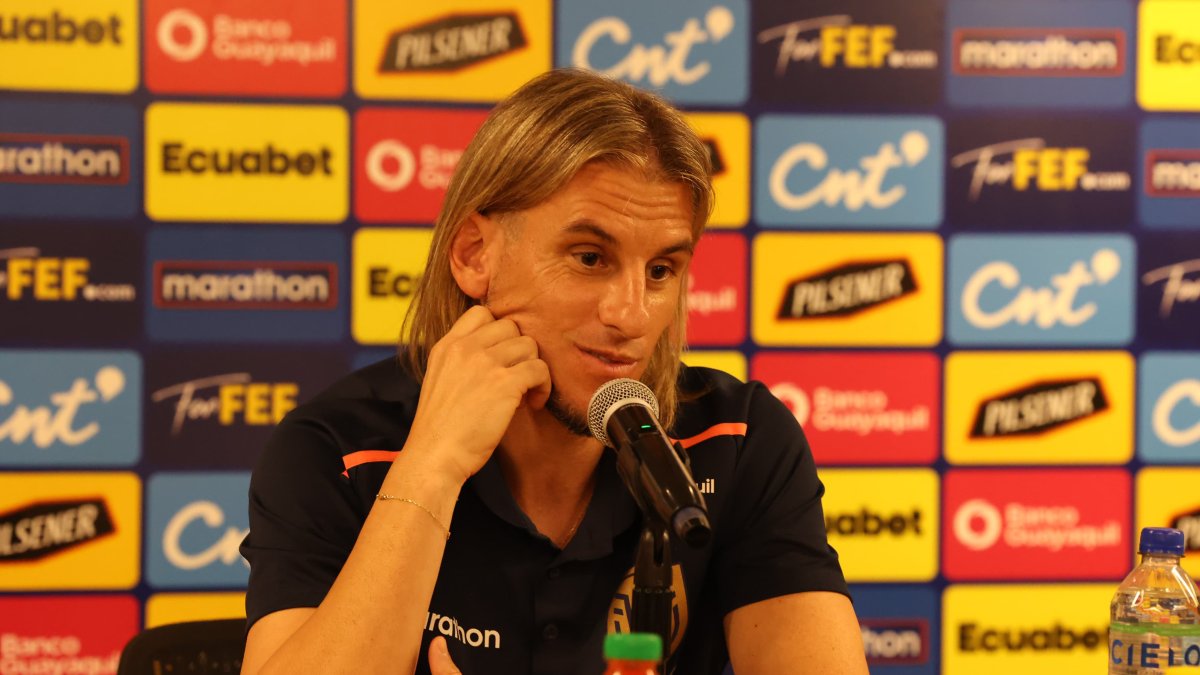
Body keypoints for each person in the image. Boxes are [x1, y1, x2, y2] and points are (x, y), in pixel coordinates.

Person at [239, 68, 868, 675]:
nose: (631, 315)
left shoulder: (737, 440)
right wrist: (431, 467)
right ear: (474, 254)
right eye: (590, 257)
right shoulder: (335, 450)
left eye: (661, 271)